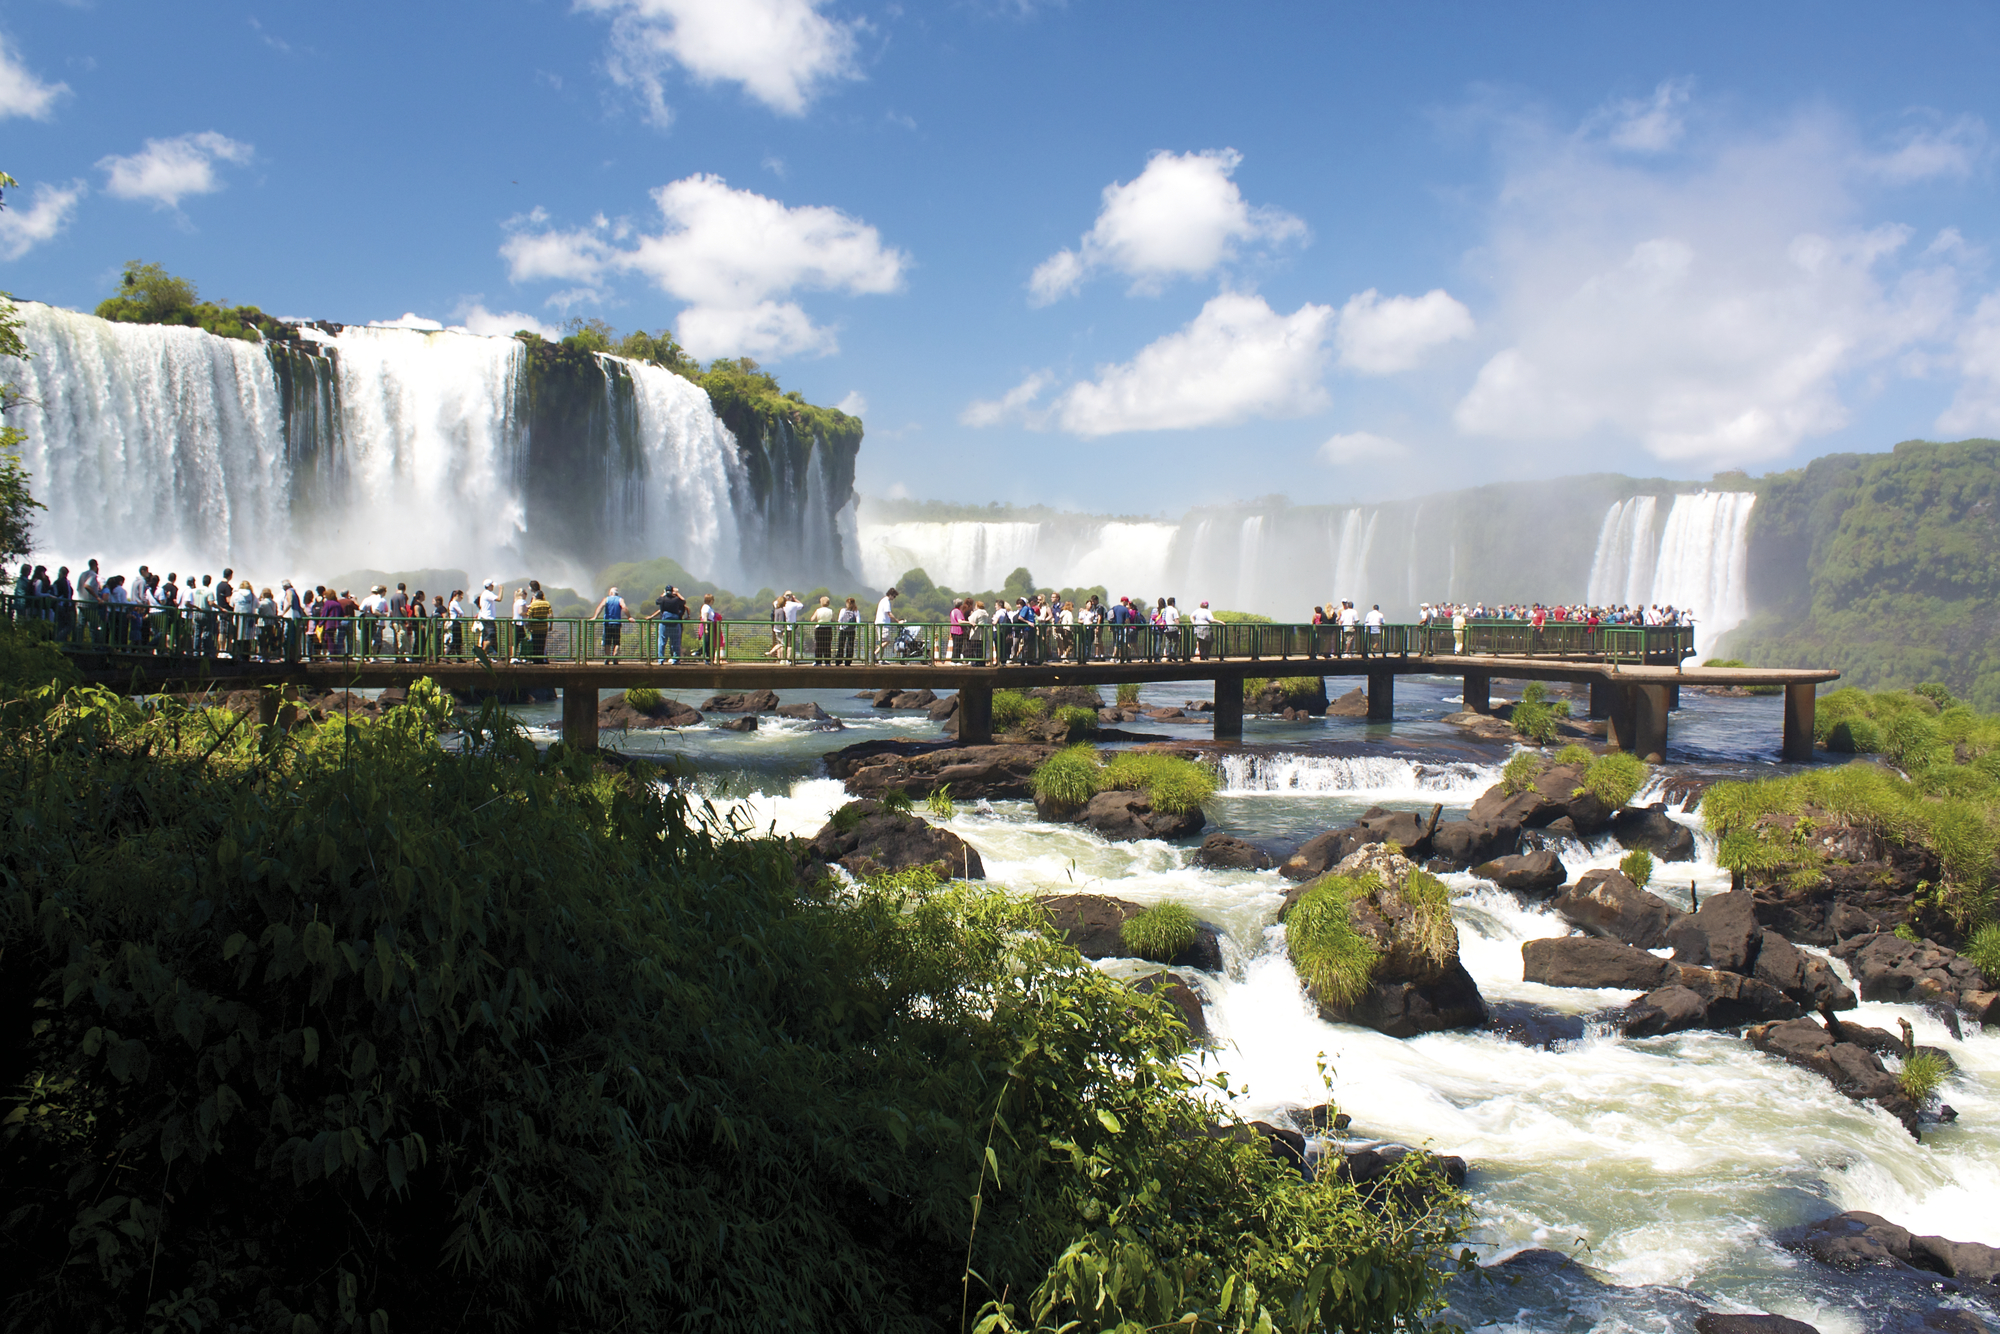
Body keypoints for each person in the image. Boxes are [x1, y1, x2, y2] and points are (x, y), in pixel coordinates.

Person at [592, 586, 626, 659]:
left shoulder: (606, 599)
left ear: (610, 593)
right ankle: (615, 656)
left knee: (607, 641)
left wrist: (595, 616)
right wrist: (629, 616)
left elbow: (600, 607)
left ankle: (607, 657)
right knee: (616, 641)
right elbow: (624, 607)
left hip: (607, 623)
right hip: (617, 623)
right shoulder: (620, 599)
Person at [525, 584, 552, 661]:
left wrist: (528, 626)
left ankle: (535, 660)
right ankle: (541, 659)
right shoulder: (547, 603)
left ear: (535, 597)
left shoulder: (533, 604)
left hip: (535, 627)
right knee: (542, 644)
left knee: (535, 644)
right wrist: (550, 625)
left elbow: (528, 616)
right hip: (544, 627)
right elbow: (550, 615)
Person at [874, 587, 900, 662]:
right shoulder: (886, 601)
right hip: (883, 624)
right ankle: (875, 654)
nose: (894, 598)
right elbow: (889, 614)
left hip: (880, 623)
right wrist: (897, 621)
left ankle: (880, 659)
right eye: (894, 596)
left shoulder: (883, 600)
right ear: (891, 595)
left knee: (882, 642)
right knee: (887, 641)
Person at [811, 595, 836, 665]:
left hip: (819, 629)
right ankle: (827, 662)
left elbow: (812, 619)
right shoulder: (830, 611)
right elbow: (833, 620)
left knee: (819, 645)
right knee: (827, 646)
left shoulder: (818, 610)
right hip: (828, 629)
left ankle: (818, 662)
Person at [836, 596, 860, 665]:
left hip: (842, 629)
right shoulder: (856, 611)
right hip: (852, 630)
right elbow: (858, 622)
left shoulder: (843, 610)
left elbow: (839, 620)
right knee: (850, 645)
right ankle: (848, 661)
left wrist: (841, 626)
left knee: (841, 645)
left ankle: (838, 660)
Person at [698, 593, 722, 661]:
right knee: (707, 642)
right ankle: (703, 656)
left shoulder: (708, 607)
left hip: (710, 624)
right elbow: (705, 617)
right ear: (710, 600)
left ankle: (707, 657)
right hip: (708, 625)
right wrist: (706, 628)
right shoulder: (706, 607)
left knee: (710, 642)